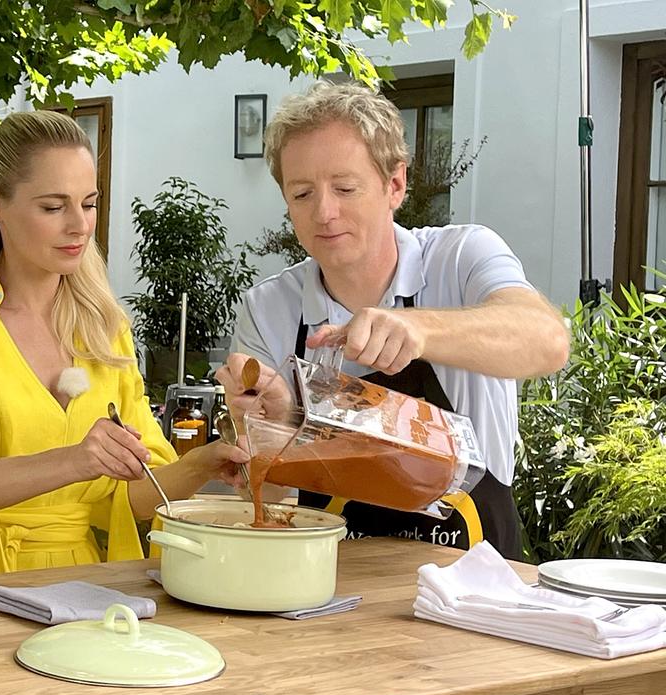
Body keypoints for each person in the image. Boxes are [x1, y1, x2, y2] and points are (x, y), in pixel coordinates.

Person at [0, 111, 246, 578]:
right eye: (53, 207)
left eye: (89, 204)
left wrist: (202, 464)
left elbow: (133, 496)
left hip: (86, 587)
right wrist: (76, 460)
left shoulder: (104, 329)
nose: (79, 226)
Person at [217, 81, 570, 560]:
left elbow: (548, 341)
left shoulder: (461, 258)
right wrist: (273, 430)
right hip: (335, 584)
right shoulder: (269, 308)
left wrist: (421, 330)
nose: (324, 212)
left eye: (345, 188)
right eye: (302, 194)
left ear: (395, 185)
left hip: (472, 584)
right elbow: (267, 497)